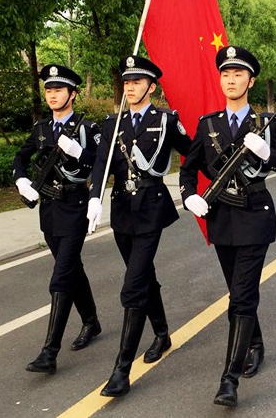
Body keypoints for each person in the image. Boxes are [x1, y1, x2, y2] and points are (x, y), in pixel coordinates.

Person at [179, 45, 276, 407]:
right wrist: (188, 196)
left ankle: (228, 380)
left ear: (251, 80)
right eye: (226, 74)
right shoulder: (208, 124)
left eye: (238, 74)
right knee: (238, 290)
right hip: (221, 218)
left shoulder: (267, 124)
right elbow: (188, 167)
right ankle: (256, 343)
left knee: (242, 296)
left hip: (255, 216)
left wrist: (268, 153)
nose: (231, 80)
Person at [87, 56, 192, 397]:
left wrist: (194, 189)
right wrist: (94, 199)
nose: (129, 87)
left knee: (132, 287)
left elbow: (192, 152)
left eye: (137, 81)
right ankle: (161, 333)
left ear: (151, 86)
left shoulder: (165, 120)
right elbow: (102, 166)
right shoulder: (111, 124)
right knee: (144, 276)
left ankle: (121, 370)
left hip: (151, 209)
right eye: (126, 82)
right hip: (121, 211)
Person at [13, 64, 103, 375]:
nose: (53, 95)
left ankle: (49, 351)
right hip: (49, 210)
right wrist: (21, 180)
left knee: (61, 276)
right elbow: (20, 158)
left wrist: (80, 152)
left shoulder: (87, 129)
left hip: (76, 207)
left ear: (73, 94)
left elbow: (100, 165)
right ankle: (91, 320)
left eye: (59, 90)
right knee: (72, 268)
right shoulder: (40, 129)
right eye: (49, 90)